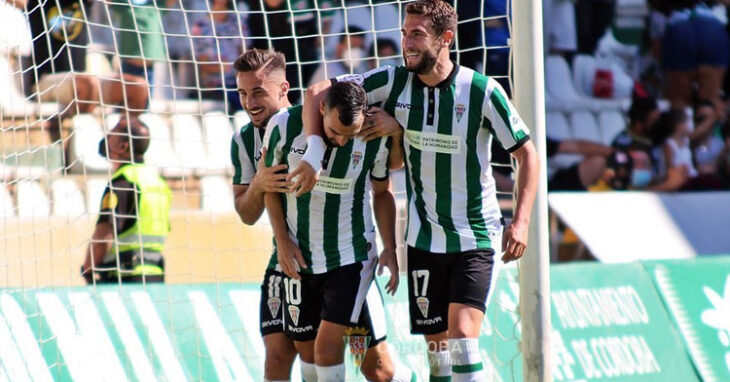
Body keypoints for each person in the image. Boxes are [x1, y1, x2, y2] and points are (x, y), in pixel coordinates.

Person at [292, 1, 540, 380]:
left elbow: (528, 154)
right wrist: (312, 153)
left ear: (446, 39)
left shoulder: (481, 91)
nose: (406, 42)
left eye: (417, 35)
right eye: (405, 32)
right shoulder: (393, 82)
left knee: (462, 338)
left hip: (474, 236)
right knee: (438, 354)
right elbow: (316, 93)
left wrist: (520, 222)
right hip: (423, 240)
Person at [263, 81, 414, 381]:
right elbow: (270, 187)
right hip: (302, 262)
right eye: (334, 133)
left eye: (350, 136)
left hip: (351, 260)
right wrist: (281, 240)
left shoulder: (373, 136)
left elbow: (382, 192)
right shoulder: (284, 126)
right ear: (322, 109)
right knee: (358, 364)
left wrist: (390, 248)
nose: (343, 142)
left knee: (329, 350)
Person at [229, 48, 302, 381]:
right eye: (243, 93)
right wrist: (258, 183)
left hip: (337, 257)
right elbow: (246, 214)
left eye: (258, 92)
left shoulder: (311, 124)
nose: (249, 102)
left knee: (377, 367)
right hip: (283, 259)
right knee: (277, 354)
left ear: (284, 88)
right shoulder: (244, 139)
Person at [81, 116, 171, 284]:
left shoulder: (123, 182)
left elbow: (105, 232)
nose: (107, 135)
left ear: (123, 146)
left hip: (127, 277)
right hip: (156, 275)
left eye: (113, 131)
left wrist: (88, 267)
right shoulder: (158, 182)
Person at [191, 0, 246, 112]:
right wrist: (225, 67)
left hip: (240, 82)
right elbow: (204, 67)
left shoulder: (238, 22)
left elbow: (245, 53)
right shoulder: (201, 26)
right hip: (216, 87)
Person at [547, 137, 614, 191]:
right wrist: (615, 153)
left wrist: (613, 153)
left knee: (599, 160)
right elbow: (576, 146)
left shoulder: (544, 142)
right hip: (547, 189)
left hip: (557, 186)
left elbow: (576, 147)